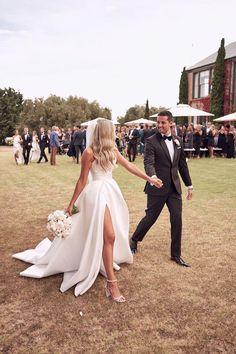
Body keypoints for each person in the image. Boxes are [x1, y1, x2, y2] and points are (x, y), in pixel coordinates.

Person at [12, 119, 163, 301]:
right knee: (110, 235)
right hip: (96, 195)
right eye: (112, 130)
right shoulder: (89, 152)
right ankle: (111, 283)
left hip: (111, 192)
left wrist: (150, 178)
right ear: (105, 132)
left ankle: (105, 268)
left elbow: (129, 166)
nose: (114, 133)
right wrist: (71, 204)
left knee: (109, 236)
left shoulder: (113, 150)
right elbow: (82, 180)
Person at [130, 111, 193, 267]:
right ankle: (134, 240)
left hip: (174, 188)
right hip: (156, 186)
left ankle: (176, 255)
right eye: (158, 122)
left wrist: (189, 185)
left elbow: (182, 165)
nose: (159, 125)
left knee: (177, 219)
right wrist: (152, 176)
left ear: (170, 123)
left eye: (163, 122)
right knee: (150, 218)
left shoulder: (178, 140)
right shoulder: (151, 141)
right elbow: (148, 162)